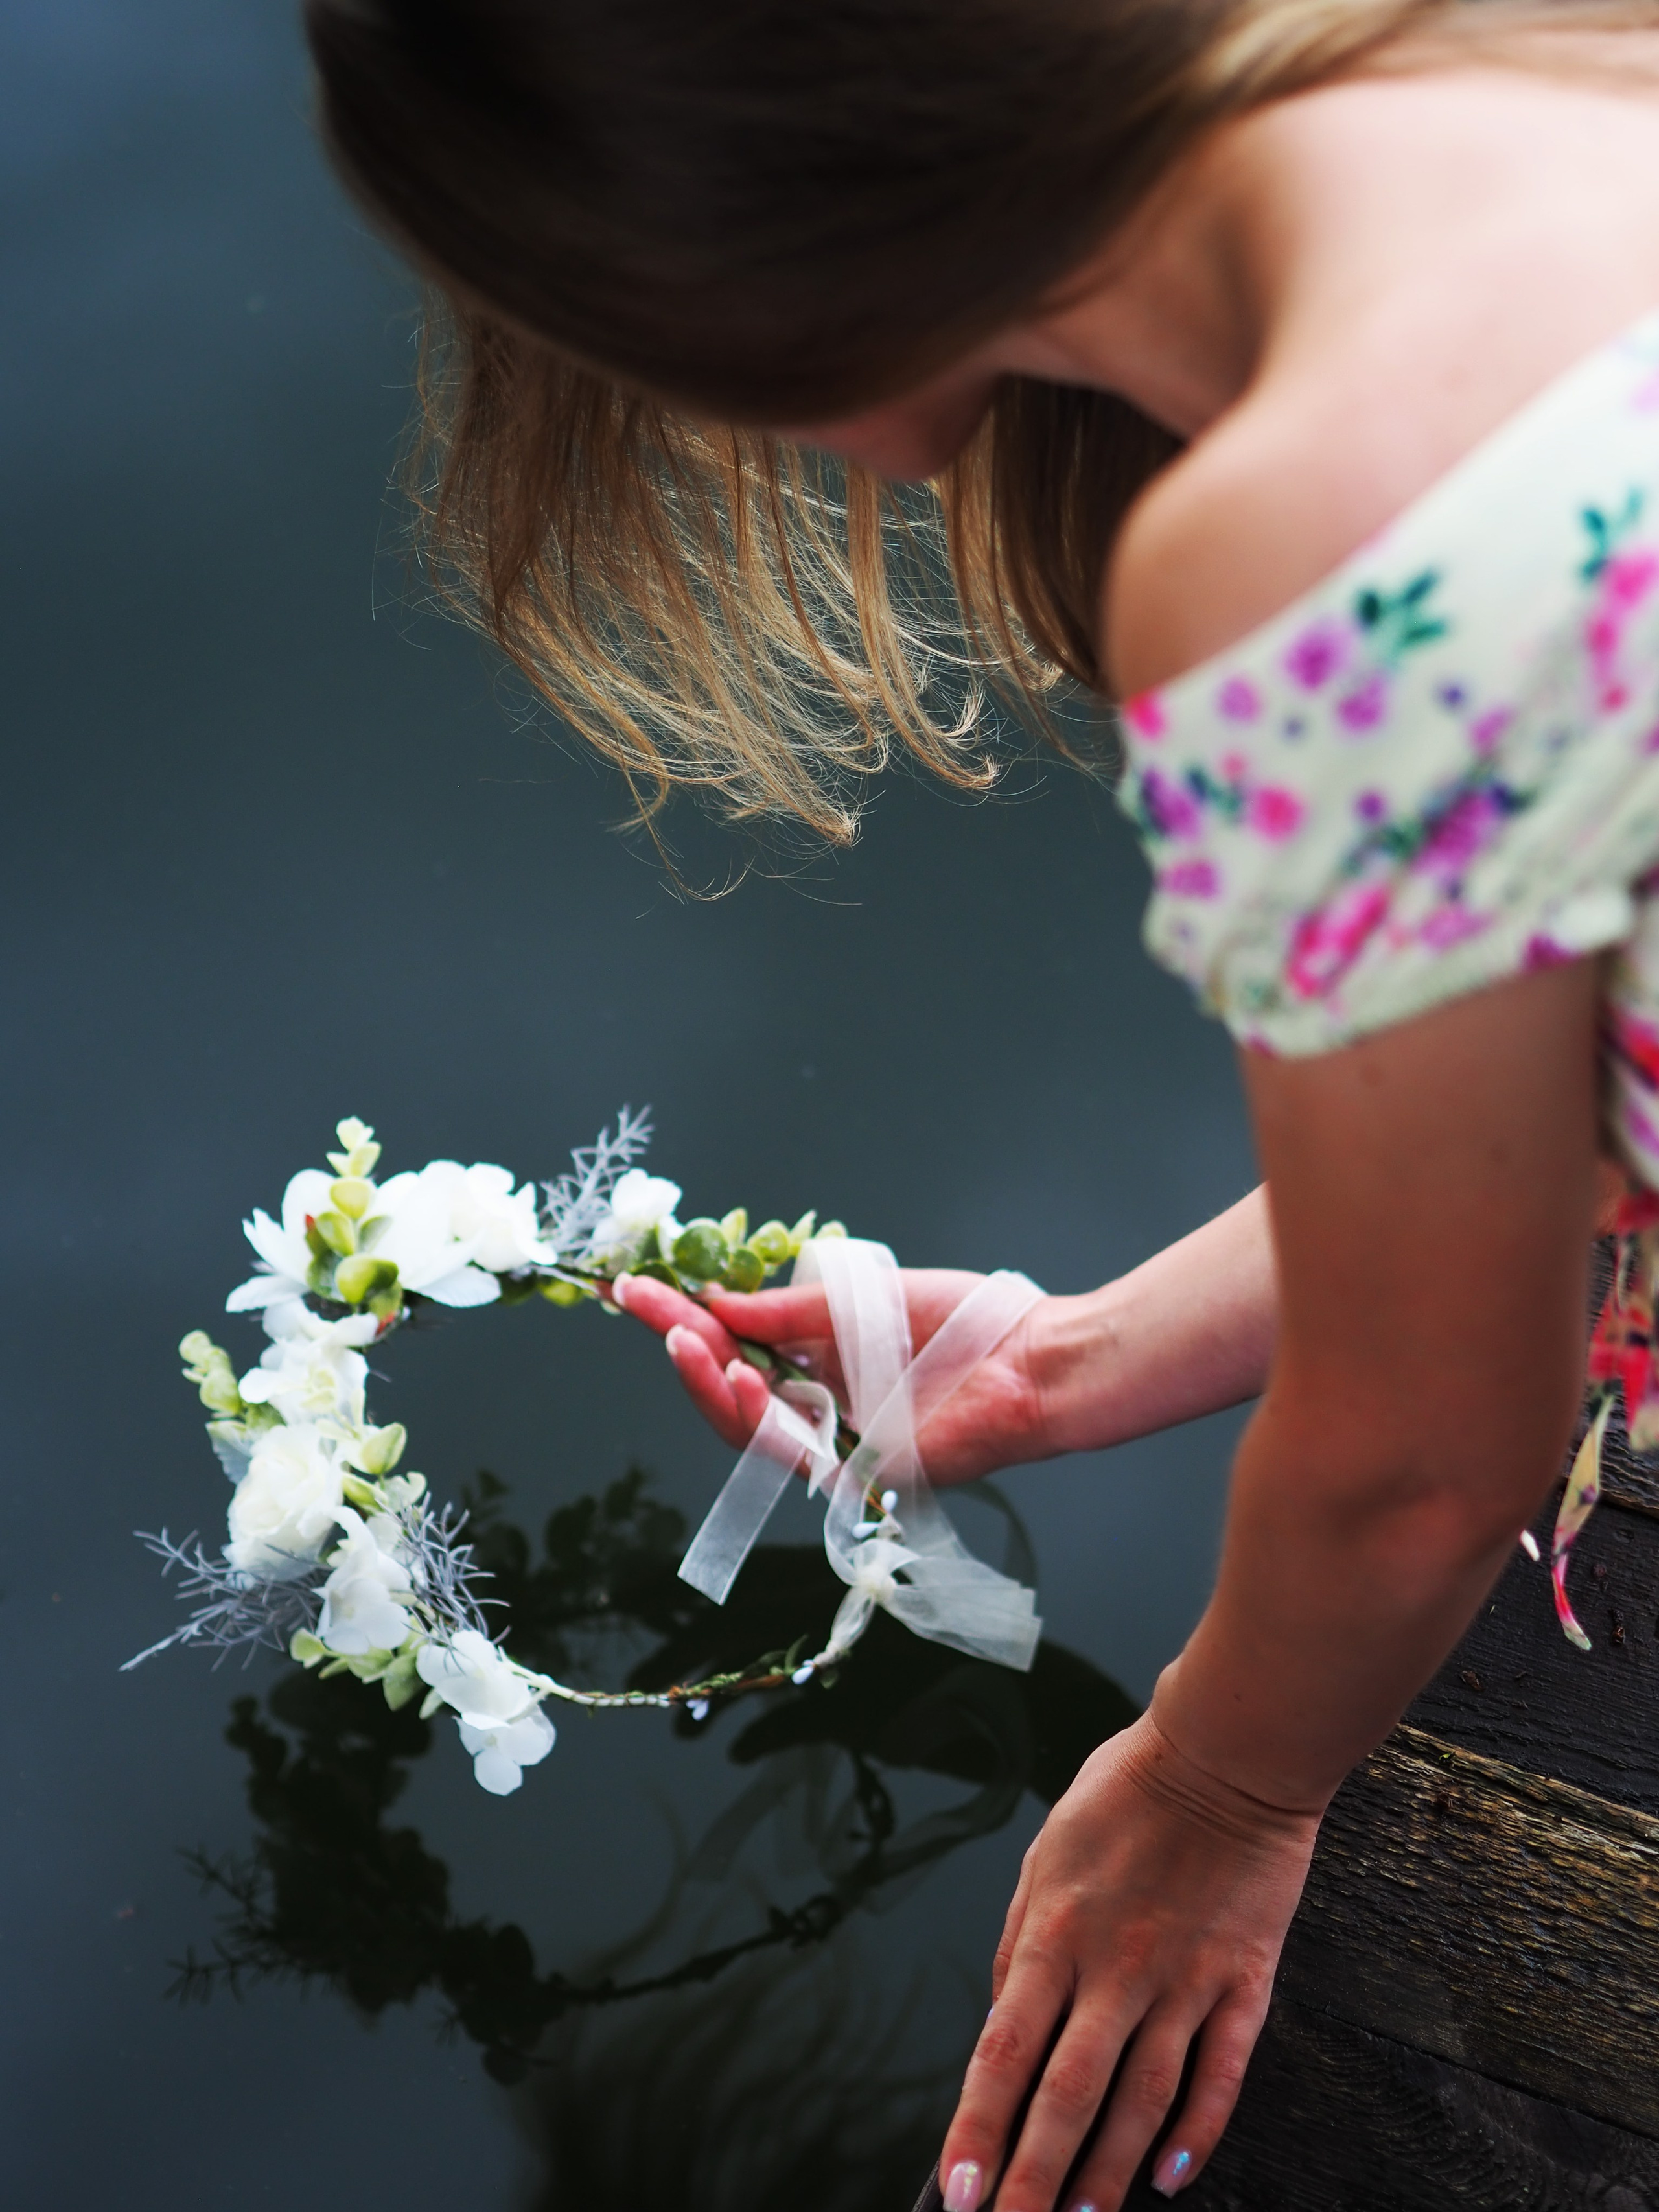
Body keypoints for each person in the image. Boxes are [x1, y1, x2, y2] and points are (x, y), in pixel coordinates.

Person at [301, 3, 1659, 2204]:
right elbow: (1570, 1070)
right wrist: (1072, 1362)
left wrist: (1216, 1787)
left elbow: (1424, 1459)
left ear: (714, 274)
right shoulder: (1542, 73)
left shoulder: (1320, 531)